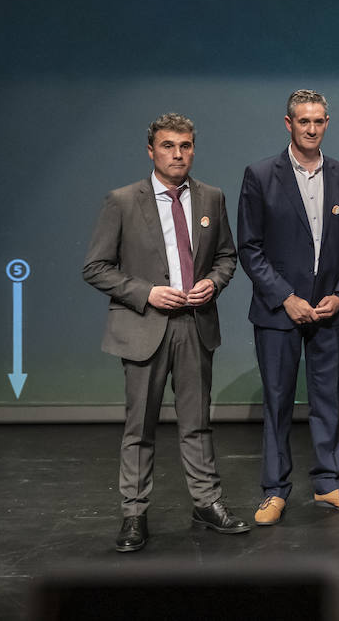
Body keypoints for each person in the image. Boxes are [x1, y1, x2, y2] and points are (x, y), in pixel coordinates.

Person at [84, 113, 249, 552]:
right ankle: (134, 513)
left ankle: (206, 502)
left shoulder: (211, 198)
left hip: (196, 326)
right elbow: (96, 267)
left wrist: (213, 282)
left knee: (197, 423)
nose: (178, 154)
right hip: (144, 327)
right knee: (140, 426)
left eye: (186, 145)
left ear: (194, 148)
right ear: (151, 150)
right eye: (169, 146)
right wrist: (147, 292)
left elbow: (227, 257)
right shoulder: (122, 201)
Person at [237, 89, 339, 524]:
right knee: (278, 402)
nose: (311, 128)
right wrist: (286, 297)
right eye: (303, 121)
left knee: (327, 398)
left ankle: (328, 484)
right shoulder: (260, 175)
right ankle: (274, 491)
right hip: (279, 313)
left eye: (319, 121)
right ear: (288, 123)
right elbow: (250, 249)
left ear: (327, 123)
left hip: (329, 313)